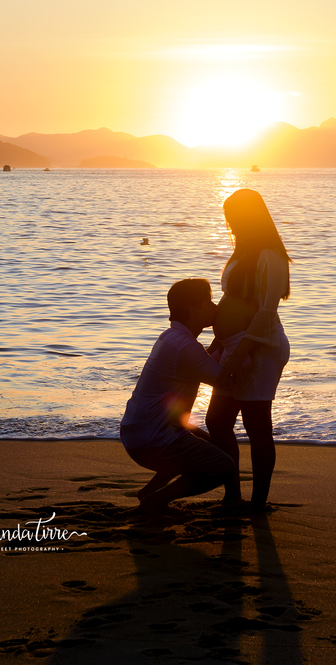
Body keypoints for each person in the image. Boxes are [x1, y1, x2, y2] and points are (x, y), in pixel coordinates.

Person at [205, 188, 292, 512]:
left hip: (259, 348)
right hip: (233, 346)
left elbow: (266, 312)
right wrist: (217, 343)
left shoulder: (271, 255)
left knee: (257, 427)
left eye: (235, 216)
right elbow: (232, 303)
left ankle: (257, 502)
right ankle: (232, 496)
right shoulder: (242, 252)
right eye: (228, 217)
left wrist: (240, 352)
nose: (230, 223)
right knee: (217, 421)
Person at [120, 278, 236, 512]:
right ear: (192, 310)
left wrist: (222, 340)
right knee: (224, 466)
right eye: (209, 302)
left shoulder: (172, 337)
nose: (215, 307)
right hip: (153, 441)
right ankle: (156, 501)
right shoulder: (185, 347)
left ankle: (149, 492)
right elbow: (228, 382)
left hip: (139, 433)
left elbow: (204, 363)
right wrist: (238, 342)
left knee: (210, 445)